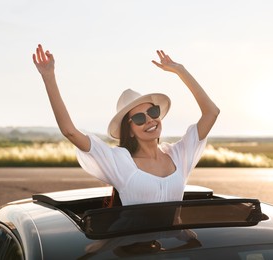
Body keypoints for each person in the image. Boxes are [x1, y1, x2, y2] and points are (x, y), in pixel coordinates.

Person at [33, 44, 220, 206]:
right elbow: (70, 131)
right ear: (129, 130)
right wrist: (48, 76)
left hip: (173, 246)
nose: (149, 120)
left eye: (153, 112)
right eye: (139, 118)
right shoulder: (119, 161)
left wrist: (179, 69)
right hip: (136, 247)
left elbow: (212, 112)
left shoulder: (179, 155)